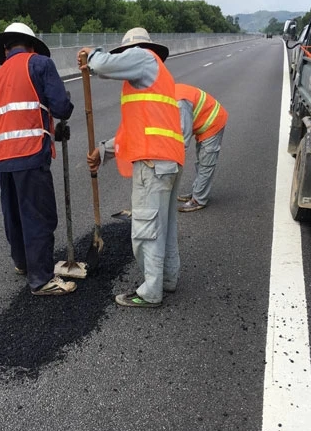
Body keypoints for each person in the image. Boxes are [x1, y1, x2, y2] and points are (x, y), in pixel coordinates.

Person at [78, 27, 185, 308]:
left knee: (146, 231)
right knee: (165, 227)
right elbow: (132, 133)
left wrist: (91, 55)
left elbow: (102, 64)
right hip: (169, 161)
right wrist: (103, 151)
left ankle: (151, 292)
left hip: (152, 164)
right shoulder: (150, 81)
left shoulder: (144, 57)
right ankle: (168, 280)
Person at [0, 22, 76, 296]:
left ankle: (23, 263)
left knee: (13, 213)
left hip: (5, 157)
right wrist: (63, 108)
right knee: (38, 215)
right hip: (31, 152)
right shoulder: (40, 64)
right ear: (32, 46)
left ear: (5, 48)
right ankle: (41, 280)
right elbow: (61, 106)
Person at [174, 83, 228, 212]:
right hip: (202, 121)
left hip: (213, 121)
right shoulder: (168, 93)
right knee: (200, 160)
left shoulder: (179, 102)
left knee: (206, 162)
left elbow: (183, 134)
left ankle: (199, 199)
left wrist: (174, 158)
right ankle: (197, 191)